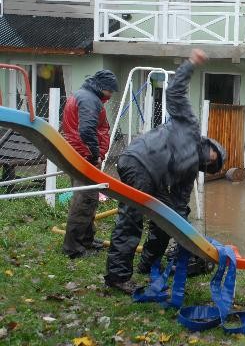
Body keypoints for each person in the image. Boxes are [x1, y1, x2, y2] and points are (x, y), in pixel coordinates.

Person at [104, 49, 225, 294]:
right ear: (209, 144)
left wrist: (188, 234)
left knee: (166, 221)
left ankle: (148, 265)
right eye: (214, 154)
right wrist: (190, 64)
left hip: (153, 179)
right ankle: (117, 277)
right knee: (131, 220)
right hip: (138, 162)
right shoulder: (190, 125)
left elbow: (179, 206)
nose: (212, 160)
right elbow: (175, 90)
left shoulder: (190, 172)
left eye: (213, 164)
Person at [61, 70, 119, 259]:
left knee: (90, 198)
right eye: (110, 91)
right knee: (84, 200)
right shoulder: (89, 100)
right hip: (84, 156)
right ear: (102, 87)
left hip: (77, 153)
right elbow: (86, 130)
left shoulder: (83, 95)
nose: (111, 95)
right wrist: (95, 154)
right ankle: (73, 248)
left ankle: (86, 239)